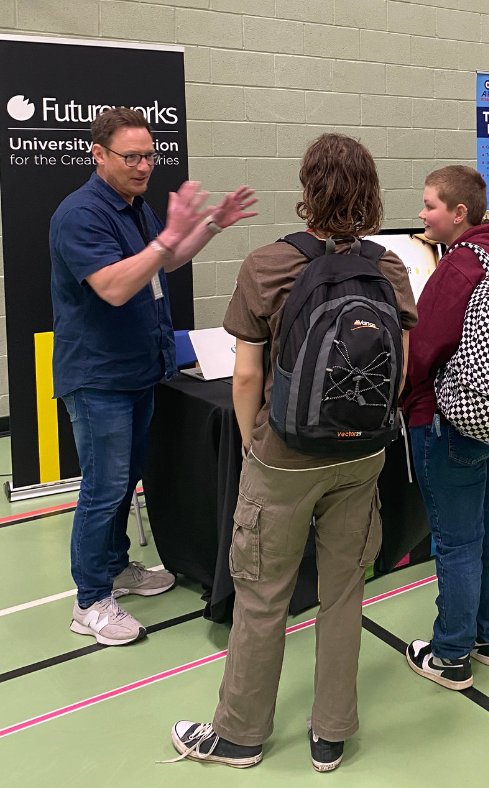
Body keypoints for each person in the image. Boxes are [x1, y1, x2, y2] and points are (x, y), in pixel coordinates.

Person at [169, 134, 417, 772]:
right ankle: (330, 733)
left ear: (306, 191)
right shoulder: (388, 269)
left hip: (284, 455)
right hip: (362, 455)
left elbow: (246, 377)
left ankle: (240, 736)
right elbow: (401, 371)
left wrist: (255, 441)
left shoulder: (268, 266)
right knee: (343, 591)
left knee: (262, 592)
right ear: (372, 195)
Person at [50, 107, 256, 646]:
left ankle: (117, 567)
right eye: (132, 157)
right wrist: (167, 240)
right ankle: (90, 600)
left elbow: (162, 263)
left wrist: (211, 225)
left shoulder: (131, 207)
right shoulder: (81, 214)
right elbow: (116, 286)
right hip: (99, 378)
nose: (144, 166)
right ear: (98, 155)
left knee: (124, 480)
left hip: (140, 369)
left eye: (149, 155)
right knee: (103, 487)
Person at [402, 165, 489, 688]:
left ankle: (451, 653)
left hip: (450, 418)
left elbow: (424, 349)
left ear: (458, 213)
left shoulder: (457, 270)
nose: (422, 214)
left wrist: (406, 398)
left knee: (455, 540)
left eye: (429, 205)